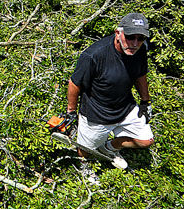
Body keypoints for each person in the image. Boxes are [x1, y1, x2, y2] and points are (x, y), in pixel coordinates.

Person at [63, 12, 154, 171]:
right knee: (85, 150)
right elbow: (74, 83)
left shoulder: (140, 50)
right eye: (130, 37)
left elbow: (141, 74)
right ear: (118, 33)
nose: (135, 43)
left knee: (145, 140)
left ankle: (109, 148)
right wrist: (71, 112)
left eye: (140, 38)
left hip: (126, 108)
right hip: (97, 113)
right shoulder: (94, 55)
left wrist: (145, 102)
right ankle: (85, 169)